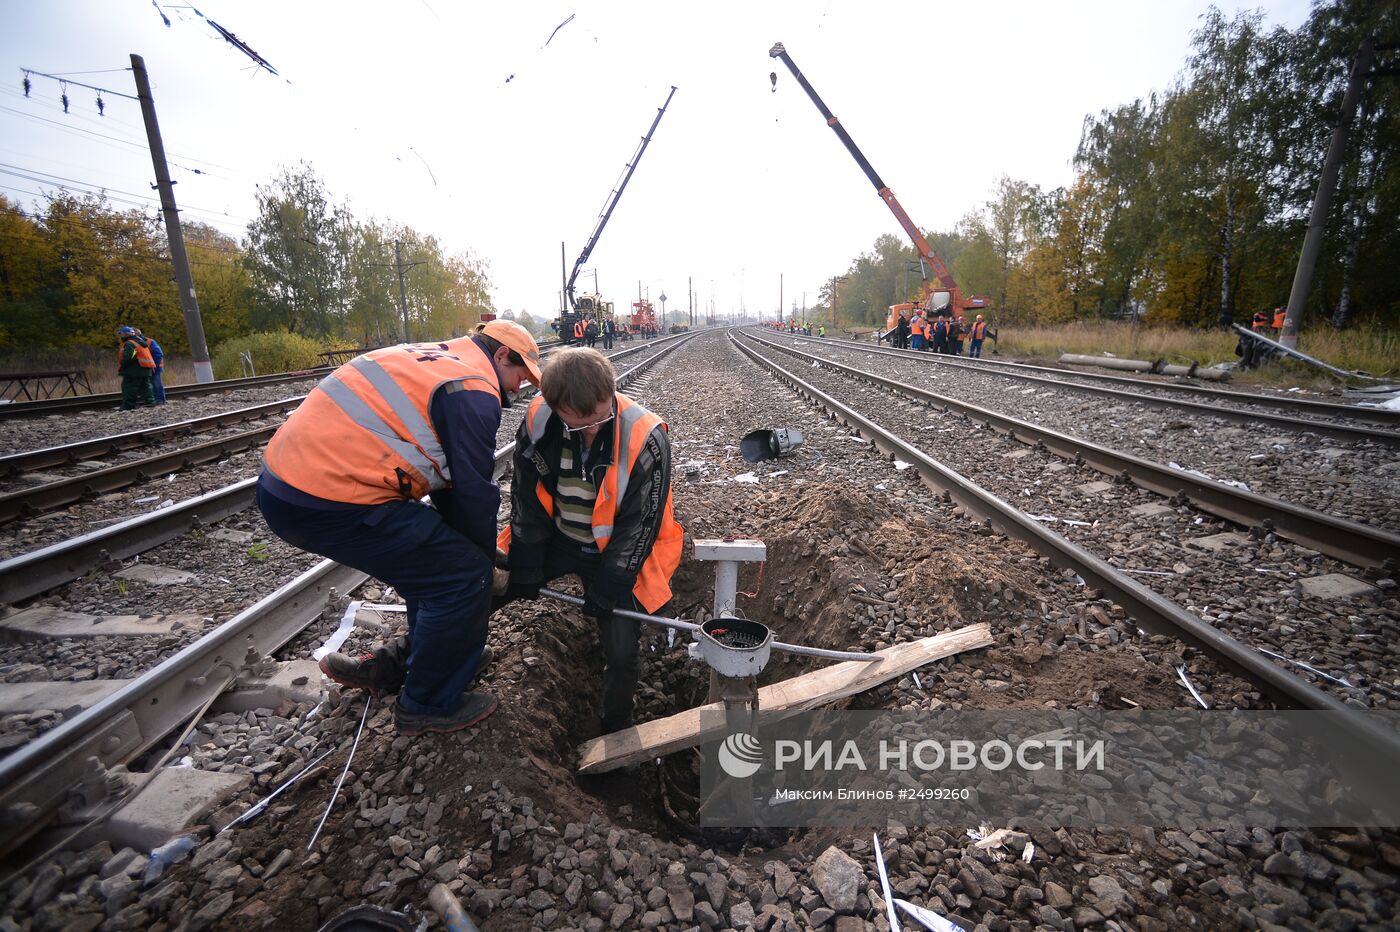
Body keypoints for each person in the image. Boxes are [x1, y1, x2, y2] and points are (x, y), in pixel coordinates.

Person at [260, 320, 542, 735]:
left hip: (286, 483)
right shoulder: (474, 388)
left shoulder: (434, 358)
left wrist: (475, 546)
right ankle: (428, 702)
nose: (519, 389)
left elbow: (448, 484)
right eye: (521, 376)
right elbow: (473, 493)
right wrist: (482, 562)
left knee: (437, 566)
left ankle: (419, 663)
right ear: (501, 355)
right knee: (461, 576)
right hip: (326, 498)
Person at [498, 348, 683, 734]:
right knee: (481, 585)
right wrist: (528, 560)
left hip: (618, 552)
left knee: (621, 653)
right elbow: (526, 495)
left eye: (601, 418)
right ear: (556, 407)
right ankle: (418, 663)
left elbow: (641, 523)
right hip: (560, 539)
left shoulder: (645, 436)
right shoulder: (539, 419)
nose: (594, 431)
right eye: (580, 426)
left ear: (610, 393)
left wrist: (613, 583)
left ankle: (613, 730)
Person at [117, 325, 156, 410]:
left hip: (135, 370)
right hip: (146, 369)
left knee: (128, 387)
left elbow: (130, 356)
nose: (120, 336)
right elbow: (135, 354)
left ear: (125, 334)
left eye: (121, 334)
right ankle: (150, 402)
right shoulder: (140, 341)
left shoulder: (130, 343)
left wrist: (122, 366)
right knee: (145, 386)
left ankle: (128, 406)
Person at [137, 329, 166, 404]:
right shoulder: (136, 342)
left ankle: (160, 400)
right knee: (148, 384)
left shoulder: (149, 341)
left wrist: (154, 366)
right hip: (145, 367)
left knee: (156, 383)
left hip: (155, 366)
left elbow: (158, 354)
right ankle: (152, 400)